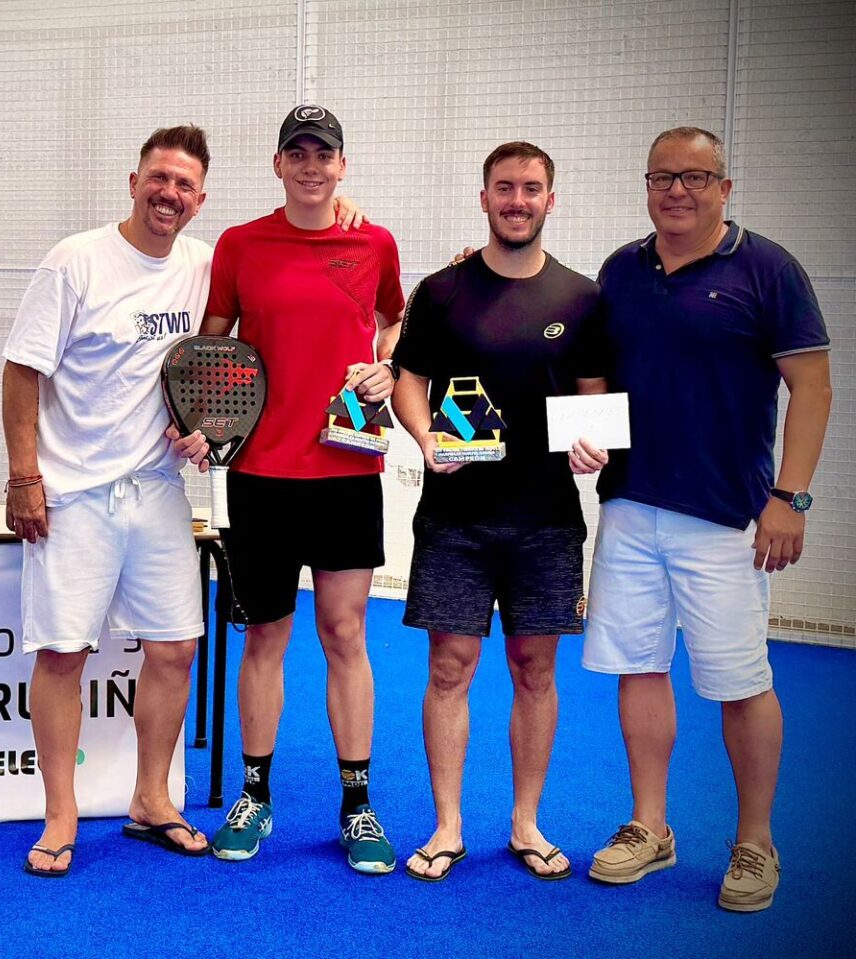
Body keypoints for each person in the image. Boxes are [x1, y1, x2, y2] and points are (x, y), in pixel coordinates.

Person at [3, 125, 364, 878]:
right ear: (133, 181)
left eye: (185, 185)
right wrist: (24, 474)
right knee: (63, 652)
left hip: (161, 490)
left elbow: (265, 300)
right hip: (72, 495)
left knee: (175, 649)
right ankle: (61, 814)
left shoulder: (209, 263)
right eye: (159, 178)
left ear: (201, 200)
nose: (170, 194)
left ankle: (151, 800)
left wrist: (343, 210)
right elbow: (21, 370)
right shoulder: (75, 261)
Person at [578, 127, 832, 912]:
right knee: (639, 666)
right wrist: (584, 431)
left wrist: (788, 498)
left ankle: (756, 841)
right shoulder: (621, 269)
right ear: (647, 184)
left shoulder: (769, 270)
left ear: (726, 186)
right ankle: (650, 827)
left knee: (740, 680)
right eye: (662, 177)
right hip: (628, 506)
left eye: (694, 177)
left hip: (727, 520)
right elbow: (595, 371)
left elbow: (813, 390)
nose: (676, 191)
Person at [175, 104, 405, 874]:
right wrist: (208, 424)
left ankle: (358, 806)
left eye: (324, 155)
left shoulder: (375, 241)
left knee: (345, 634)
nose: (311, 166)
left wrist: (387, 366)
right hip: (262, 475)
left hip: (348, 470)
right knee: (266, 634)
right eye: (297, 154)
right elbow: (213, 345)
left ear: (343, 165)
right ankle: (255, 795)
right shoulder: (240, 245)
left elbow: (394, 323)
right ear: (278, 165)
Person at [388, 142, 604, 881]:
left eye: (532, 188)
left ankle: (525, 823)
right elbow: (407, 379)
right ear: (484, 197)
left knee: (535, 669)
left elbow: (592, 399)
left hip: (547, 520)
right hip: (456, 519)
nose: (518, 200)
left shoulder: (581, 297)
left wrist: (592, 443)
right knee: (449, 666)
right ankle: (447, 826)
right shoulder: (443, 290)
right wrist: (423, 436)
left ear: (551, 199)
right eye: (505, 188)